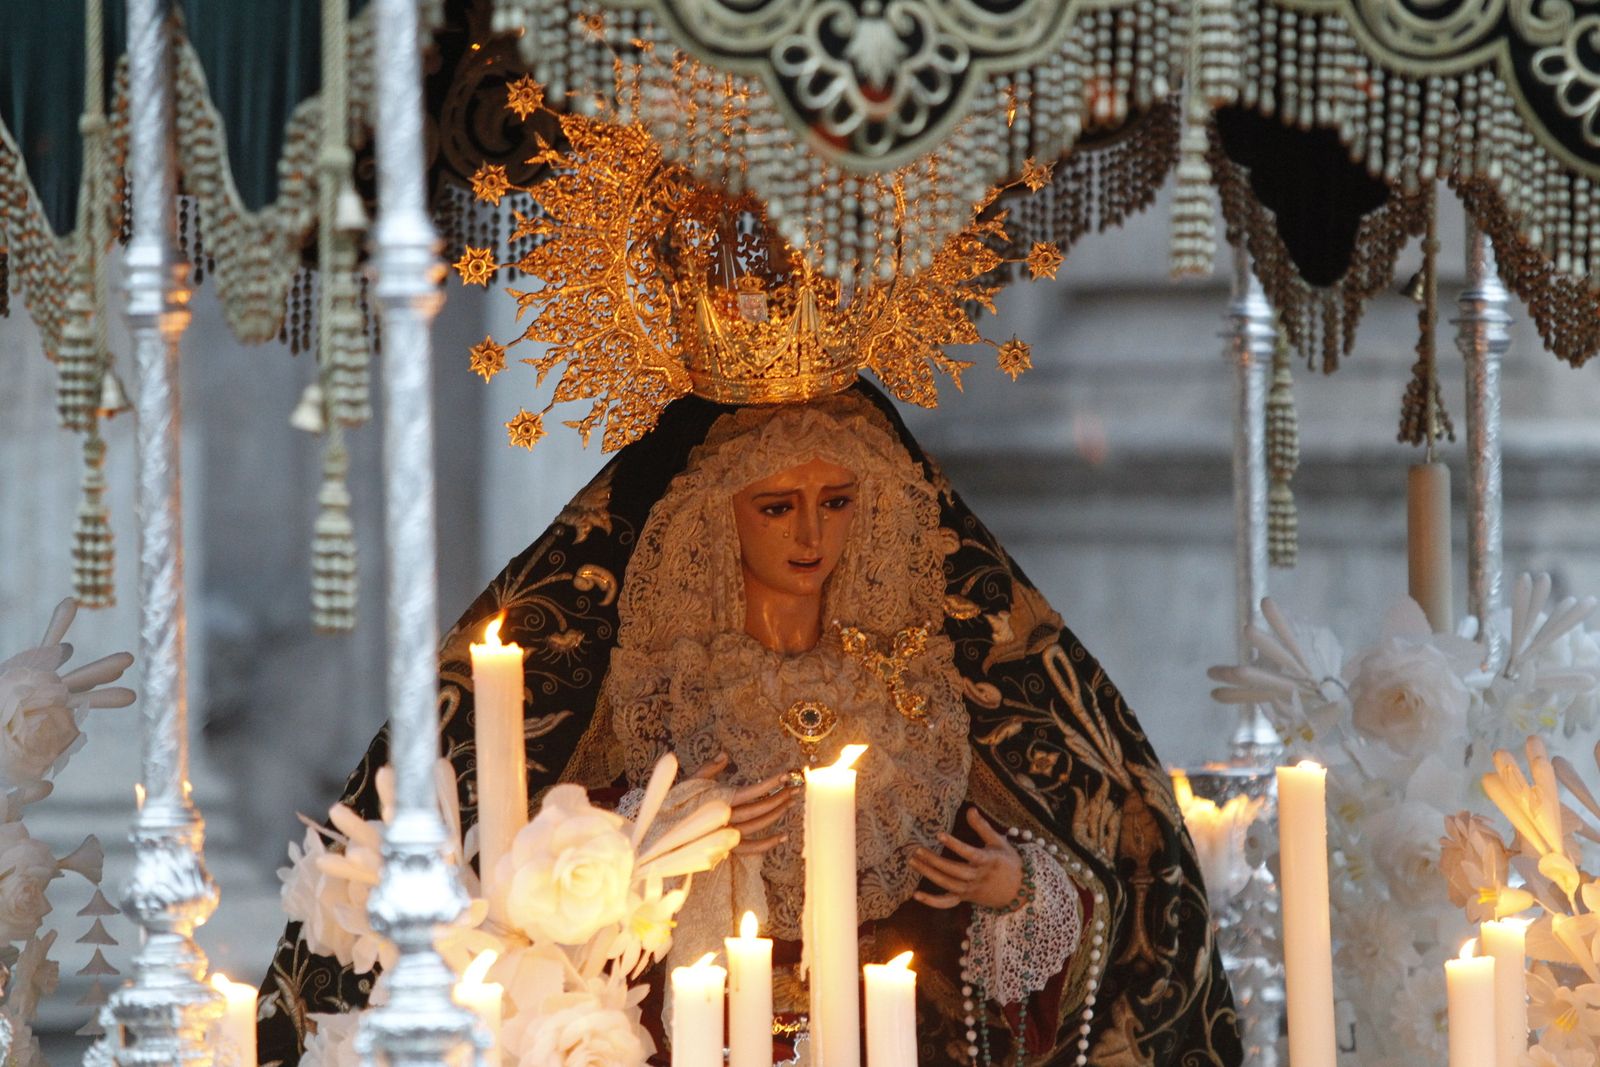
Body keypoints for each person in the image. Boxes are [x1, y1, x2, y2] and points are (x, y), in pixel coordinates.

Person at [256, 383, 1242, 1067]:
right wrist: (661, 826)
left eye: (835, 502)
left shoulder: (919, 690)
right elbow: (532, 854)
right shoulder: (651, 687)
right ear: (717, 519)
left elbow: (1079, 854)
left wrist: (1018, 888)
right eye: (777, 506)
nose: (811, 536)